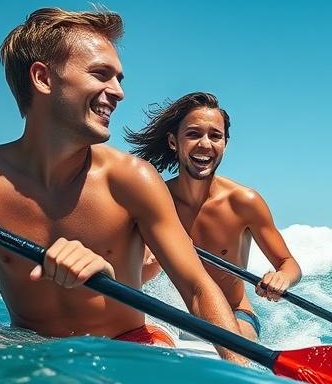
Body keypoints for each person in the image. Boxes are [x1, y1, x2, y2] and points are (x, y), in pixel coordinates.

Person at [0, 8, 246, 362]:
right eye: (101, 74)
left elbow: (197, 288)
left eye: (119, 79)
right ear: (43, 78)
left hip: (128, 346)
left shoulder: (132, 180)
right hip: (25, 348)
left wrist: (242, 376)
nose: (118, 92)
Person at [127, 92, 301, 339]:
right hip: (175, 316)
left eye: (215, 136)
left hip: (235, 316)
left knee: (236, 342)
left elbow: (289, 263)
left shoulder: (244, 202)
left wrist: (282, 277)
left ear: (225, 144)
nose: (205, 144)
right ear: (173, 142)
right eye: (193, 134)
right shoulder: (155, 201)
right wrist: (152, 264)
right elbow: (131, 279)